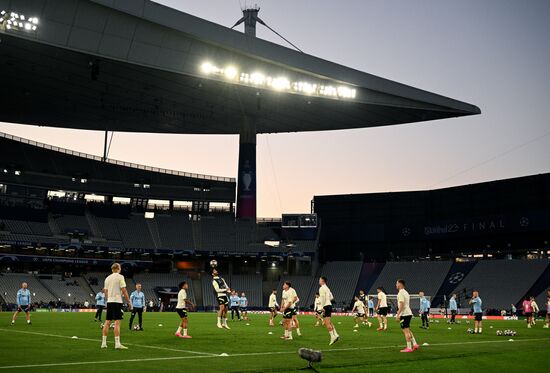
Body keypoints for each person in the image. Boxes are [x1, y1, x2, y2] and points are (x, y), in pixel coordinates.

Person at [101, 263, 132, 349]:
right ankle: (117, 344)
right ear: (119, 268)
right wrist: (129, 302)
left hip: (110, 302)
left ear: (112, 269)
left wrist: (108, 300)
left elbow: (106, 292)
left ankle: (103, 343)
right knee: (117, 322)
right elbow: (124, 290)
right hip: (117, 302)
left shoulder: (107, 278)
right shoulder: (120, 277)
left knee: (107, 322)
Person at [395, 279, 419, 353]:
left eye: (396, 283)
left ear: (400, 284)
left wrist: (398, 314)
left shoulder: (401, 293)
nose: (396, 285)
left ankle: (409, 347)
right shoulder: (406, 292)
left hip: (404, 314)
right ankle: (415, 344)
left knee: (405, 331)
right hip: (408, 313)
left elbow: (402, 304)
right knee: (408, 330)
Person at [319, 276, 339, 345]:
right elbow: (331, 297)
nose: (319, 281)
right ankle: (335, 334)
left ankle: (332, 337)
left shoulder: (321, 288)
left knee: (327, 323)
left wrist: (322, 307)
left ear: (322, 281)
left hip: (325, 306)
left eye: (320, 280)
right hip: (329, 305)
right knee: (329, 322)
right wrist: (328, 301)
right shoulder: (327, 288)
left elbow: (322, 298)